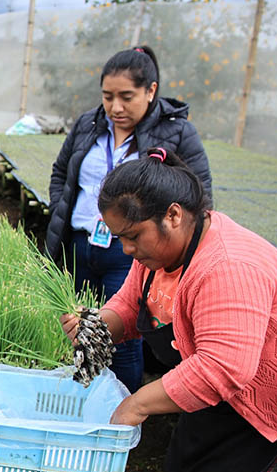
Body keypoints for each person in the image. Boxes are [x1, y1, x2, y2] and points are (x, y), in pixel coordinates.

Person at [60, 150, 277, 472]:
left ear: (173, 216)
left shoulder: (229, 266)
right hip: (210, 404)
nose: (127, 250)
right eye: (120, 238)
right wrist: (96, 326)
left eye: (132, 236)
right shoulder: (156, 256)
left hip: (260, 419)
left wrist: (136, 404)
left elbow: (223, 367)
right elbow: (129, 305)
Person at [47, 46, 211, 393]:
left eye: (126, 97)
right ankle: (83, 396)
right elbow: (61, 172)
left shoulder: (177, 133)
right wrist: (60, 209)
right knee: (78, 326)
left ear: (151, 91)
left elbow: (199, 196)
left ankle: (123, 403)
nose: (115, 107)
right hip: (80, 244)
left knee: (122, 336)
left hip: (132, 254)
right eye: (107, 97)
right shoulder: (89, 124)